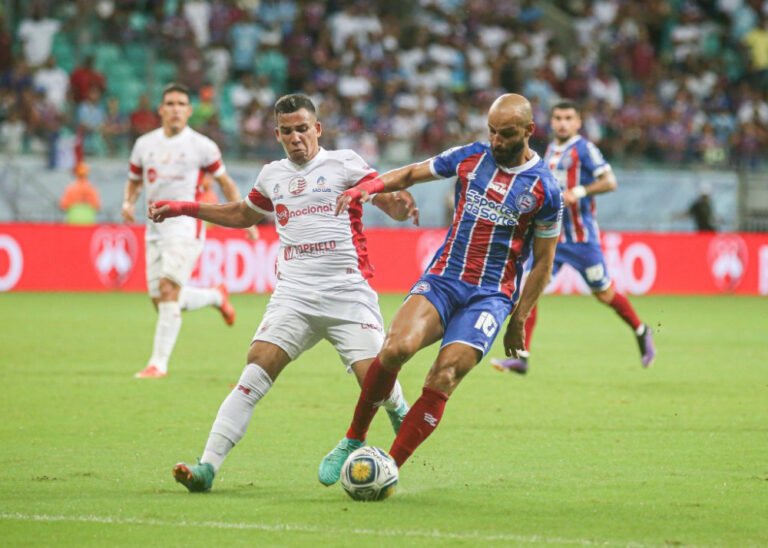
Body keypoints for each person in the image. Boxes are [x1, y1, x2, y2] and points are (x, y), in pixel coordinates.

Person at [147, 93, 418, 493]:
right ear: (277, 134)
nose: (296, 138)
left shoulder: (345, 164)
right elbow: (244, 214)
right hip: (295, 295)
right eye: (287, 131)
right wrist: (186, 208)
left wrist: (398, 206)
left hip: (347, 292)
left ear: (318, 129)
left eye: (303, 129)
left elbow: (383, 198)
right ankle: (207, 467)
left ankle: (396, 405)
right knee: (255, 370)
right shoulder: (272, 175)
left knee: (373, 383)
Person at [317, 93, 564, 483]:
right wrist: (365, 188)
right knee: (395, 348)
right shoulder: (471, 157)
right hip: (445, 280)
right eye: (493, 132)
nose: (497, 141)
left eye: (508, 134)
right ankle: (353, 437)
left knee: (444, 375)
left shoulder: (545, 189)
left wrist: (519, 319)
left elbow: (544, 261)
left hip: (489, 297)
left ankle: (389, 468)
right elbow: (414, 172)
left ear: (530, 131)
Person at [491, 100, 656, 375]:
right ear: (551, 122)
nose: (563, 123)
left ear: (578, 122)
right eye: (558, 118)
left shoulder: (584, 149)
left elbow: (610, 181)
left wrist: (577, 193)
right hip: (551, 238)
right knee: (528, 293)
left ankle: (641, 329)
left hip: (581, 241)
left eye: (569, 118)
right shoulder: (550, 152)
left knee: (604, 294)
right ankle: (522, 356)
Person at [122, 83, 258, 379]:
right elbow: (134, 179)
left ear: (189, 110)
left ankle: (158, 364)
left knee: (169, 291)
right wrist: (128, 202)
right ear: (160, 109)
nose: (175, 109)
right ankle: (214, 296)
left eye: (181, 103)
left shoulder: (202, 146)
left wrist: (246, 219)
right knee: (161, 300)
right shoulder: (145, 144)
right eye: (169, 103)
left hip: (186, 226)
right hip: (154, 229)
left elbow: (225, 183)